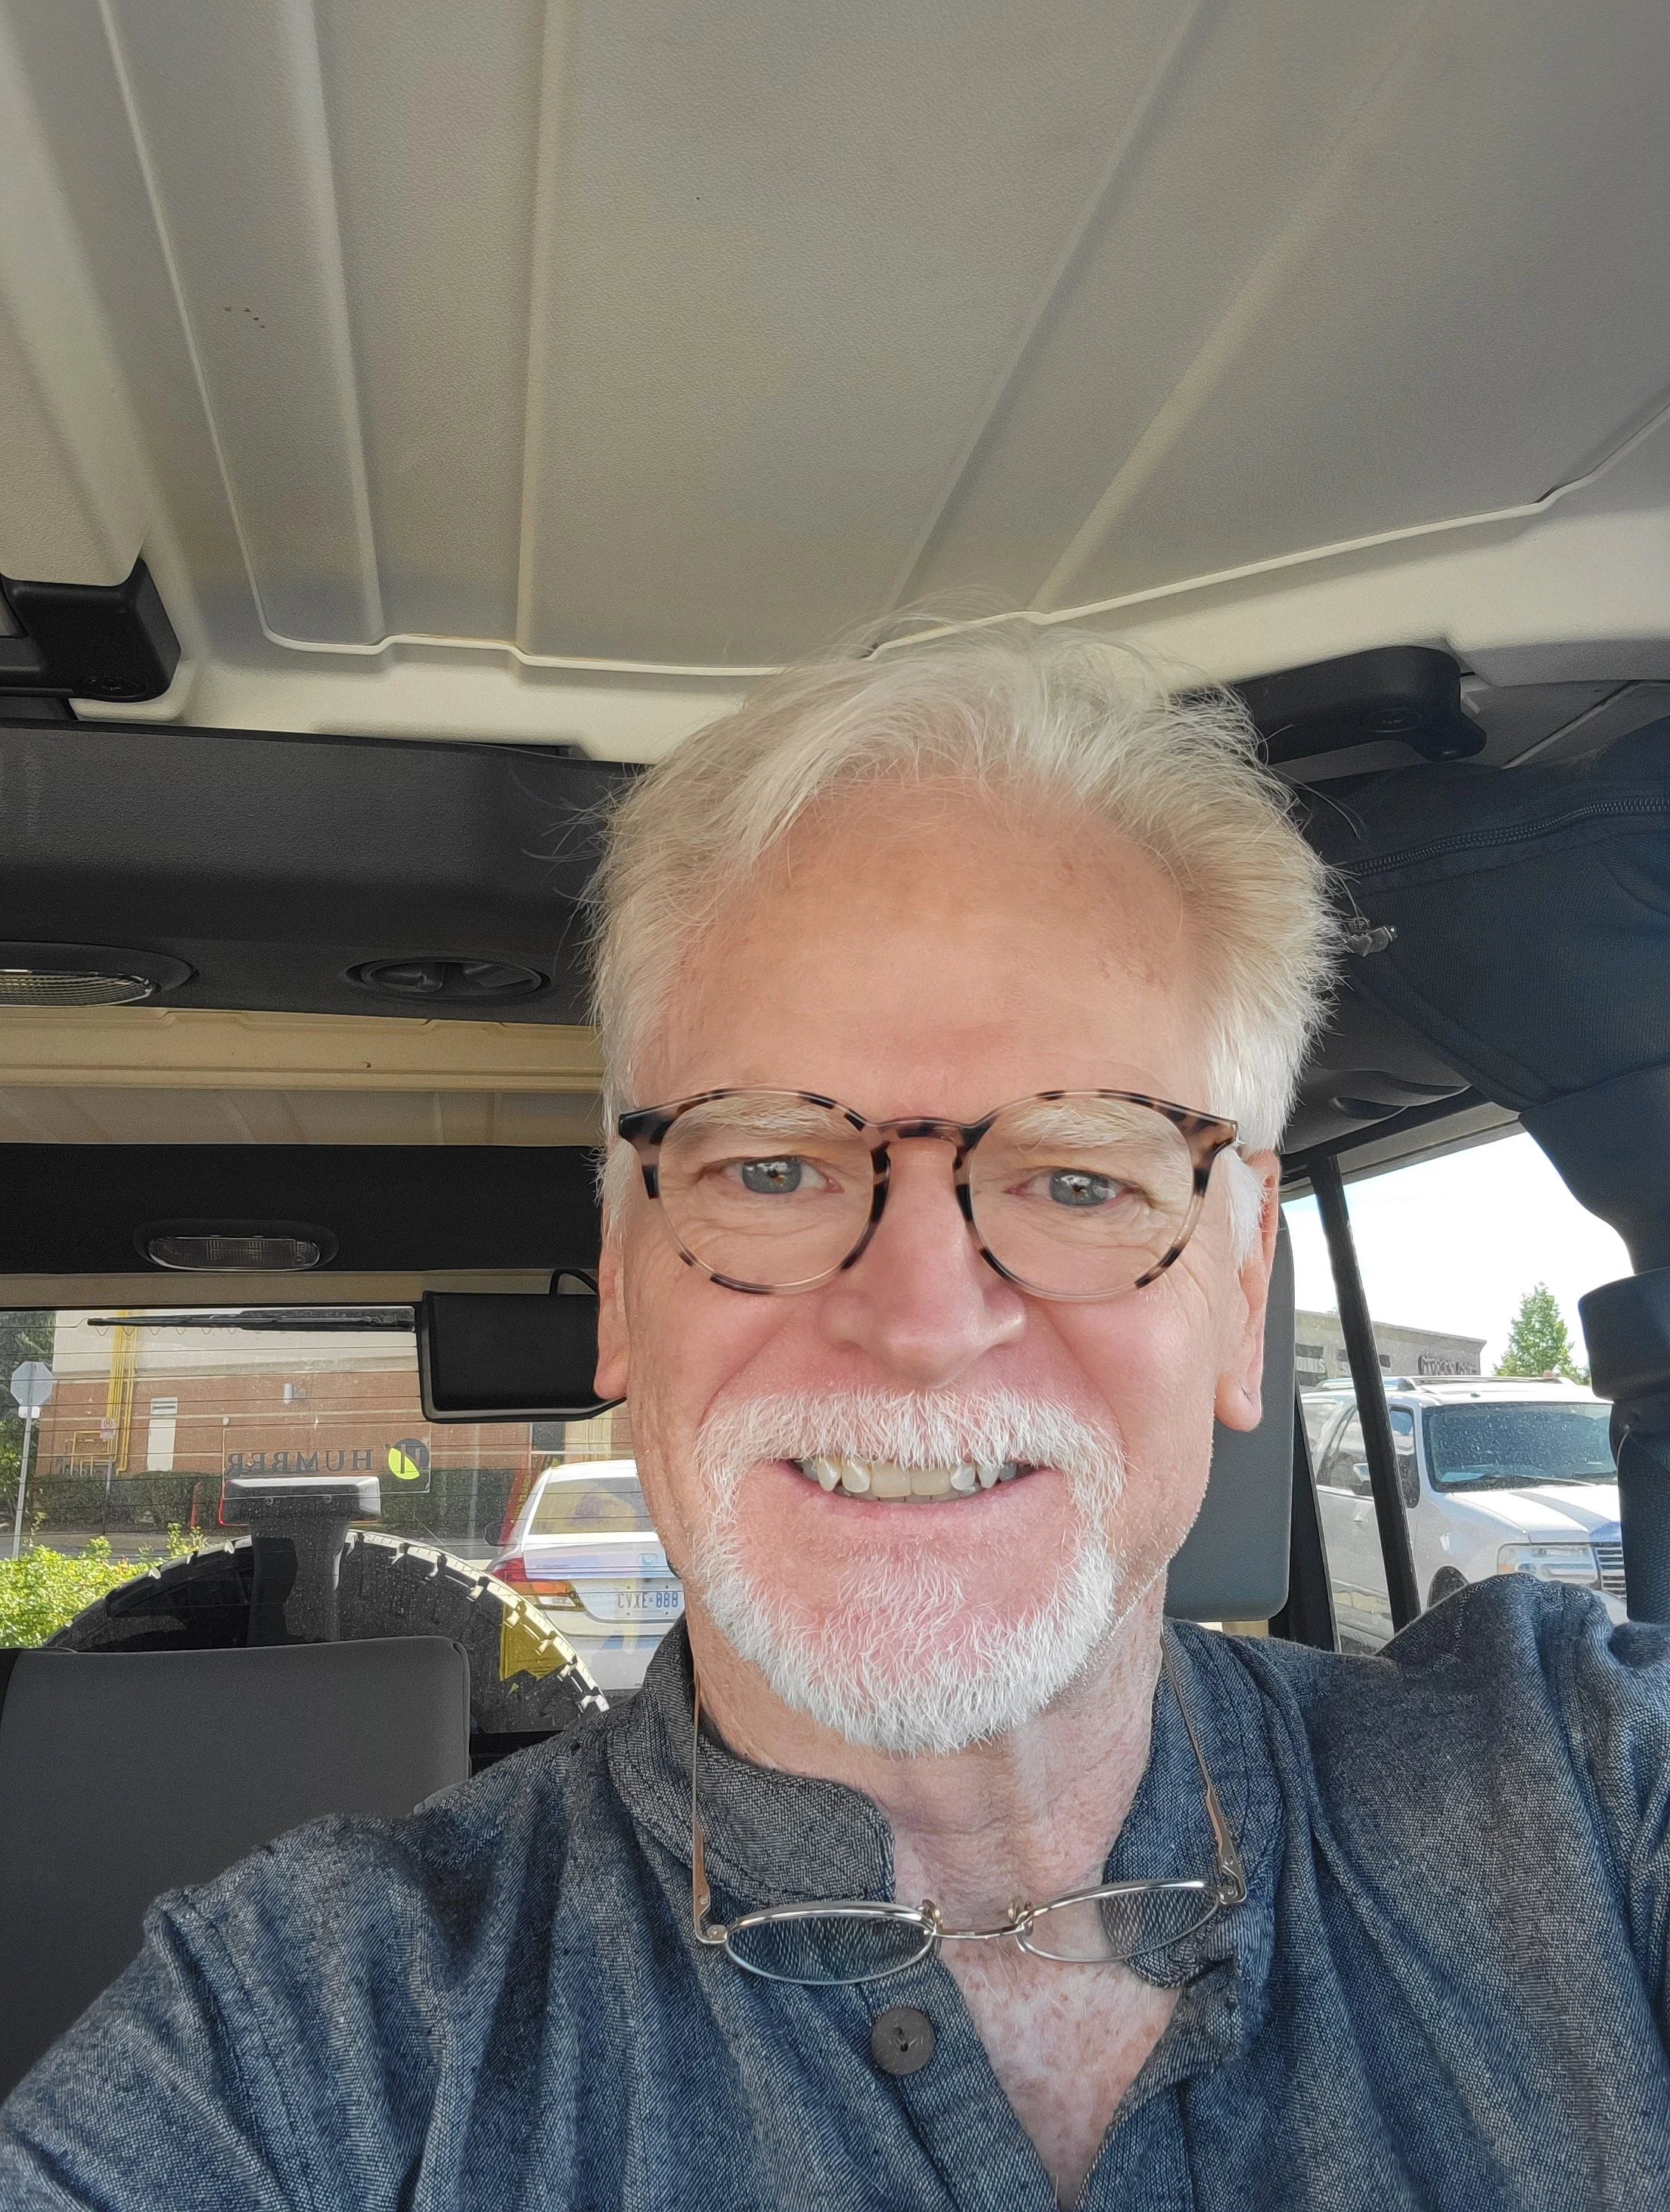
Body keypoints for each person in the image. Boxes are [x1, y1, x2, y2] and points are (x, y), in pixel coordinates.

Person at [4, 630, 1668, 2210]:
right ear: (620, 1286)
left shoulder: (1578, 1790)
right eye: (772, 1167)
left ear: (1240, 1298)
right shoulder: (308, 2034)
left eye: (1077, 1178)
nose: (922, 1322)